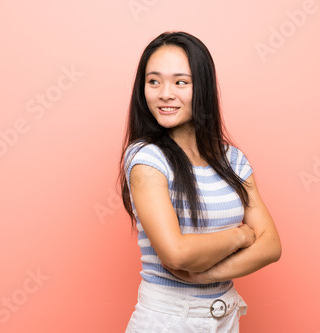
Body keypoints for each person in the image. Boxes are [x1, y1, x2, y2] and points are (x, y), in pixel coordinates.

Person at [119, 31, 282, 332]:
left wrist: (205, 275)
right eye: (153, 81)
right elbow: (176, 254)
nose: (165, 93)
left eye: (181, 82)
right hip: (169, 320)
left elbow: (271, 245)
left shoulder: (231, 159)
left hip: (225, 314)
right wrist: (242, 237)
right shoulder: (146, 159)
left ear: (202, 87)